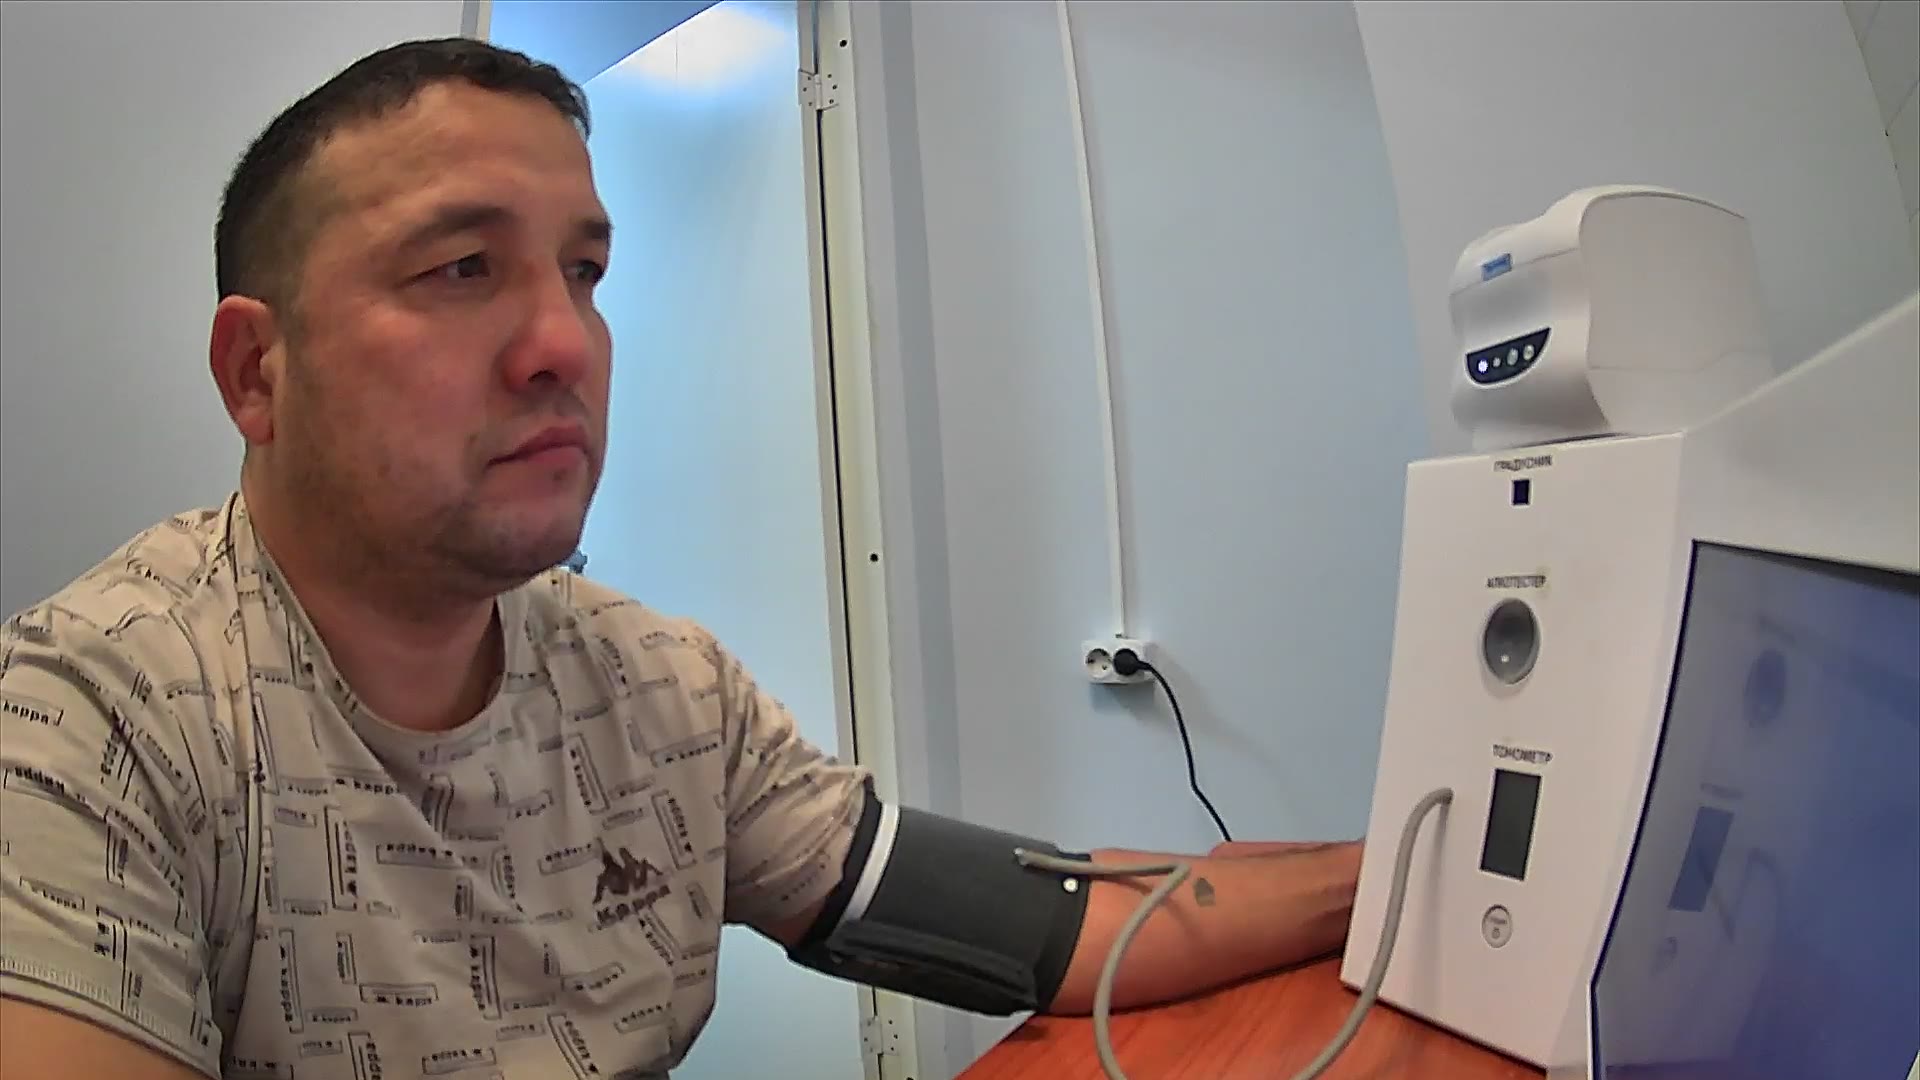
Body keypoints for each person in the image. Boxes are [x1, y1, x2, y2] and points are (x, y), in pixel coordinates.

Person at [0, 38, 1363, 1080]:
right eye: (463, 268)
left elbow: (1041, 926)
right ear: (258, 370)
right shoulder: (88, 726)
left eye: (584, 273)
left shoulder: (659, 687)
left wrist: (1401, 877)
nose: (564, 343)